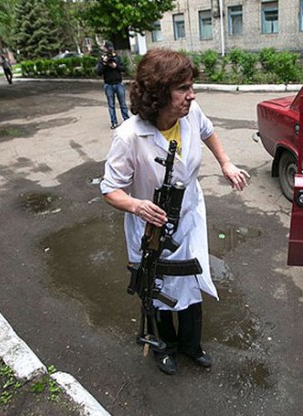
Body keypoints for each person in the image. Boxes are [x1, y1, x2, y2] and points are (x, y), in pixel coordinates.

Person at [100, 49, 250, 375]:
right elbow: (109, 190)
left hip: (190, 213)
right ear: (158, 93)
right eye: (183, 88)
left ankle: (191, 346)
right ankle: (164, 347)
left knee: (192, 278)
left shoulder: (191, 114)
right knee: (159, 288)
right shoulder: (128, 137)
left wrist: (225, 163)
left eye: (191, 86)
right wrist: (137, 205)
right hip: (152, 225)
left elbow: (208, 131)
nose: (191, 95)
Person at [96, 41, 130, 129]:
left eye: (111, 48)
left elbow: (123, 68)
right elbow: (98, 72)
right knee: (111, 105)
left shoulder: (117, 57)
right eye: (108, 48)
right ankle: (114, 122)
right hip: (108, 85)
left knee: (123, 104)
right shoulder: (102, 58)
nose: (110, 50)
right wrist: (104, 63)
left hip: (119, 83)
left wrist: (116, 66)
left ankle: (127, 120)